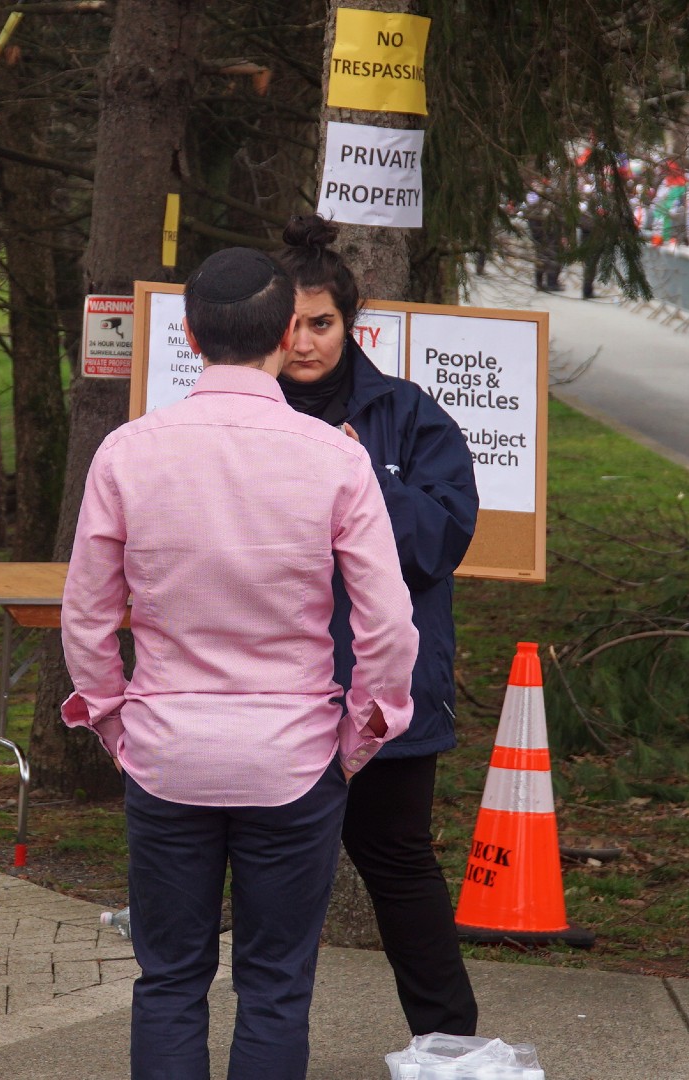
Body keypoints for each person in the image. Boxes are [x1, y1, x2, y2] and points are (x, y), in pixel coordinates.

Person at [62, 247, 419, 1080]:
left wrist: (115, 722)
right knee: (275, 986)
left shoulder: (127, 451)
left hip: (165, 749)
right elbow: (388, 624)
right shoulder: (335, 457)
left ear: (188, 336)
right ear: (289, 330)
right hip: (294, 755)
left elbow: (86, 617)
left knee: (170, 978)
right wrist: (360, 735)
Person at [273, 215, 482, 1038]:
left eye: (321, 323)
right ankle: (272, 1046)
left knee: (399, 866)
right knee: (279, 881)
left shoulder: (408, 416)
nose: (305, 343)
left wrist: (360, 476)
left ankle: (451, 1045)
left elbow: (440, 543)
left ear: (350, 326)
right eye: (289, 325)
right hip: (278, 693)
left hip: (384, 693)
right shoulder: (242, 420)